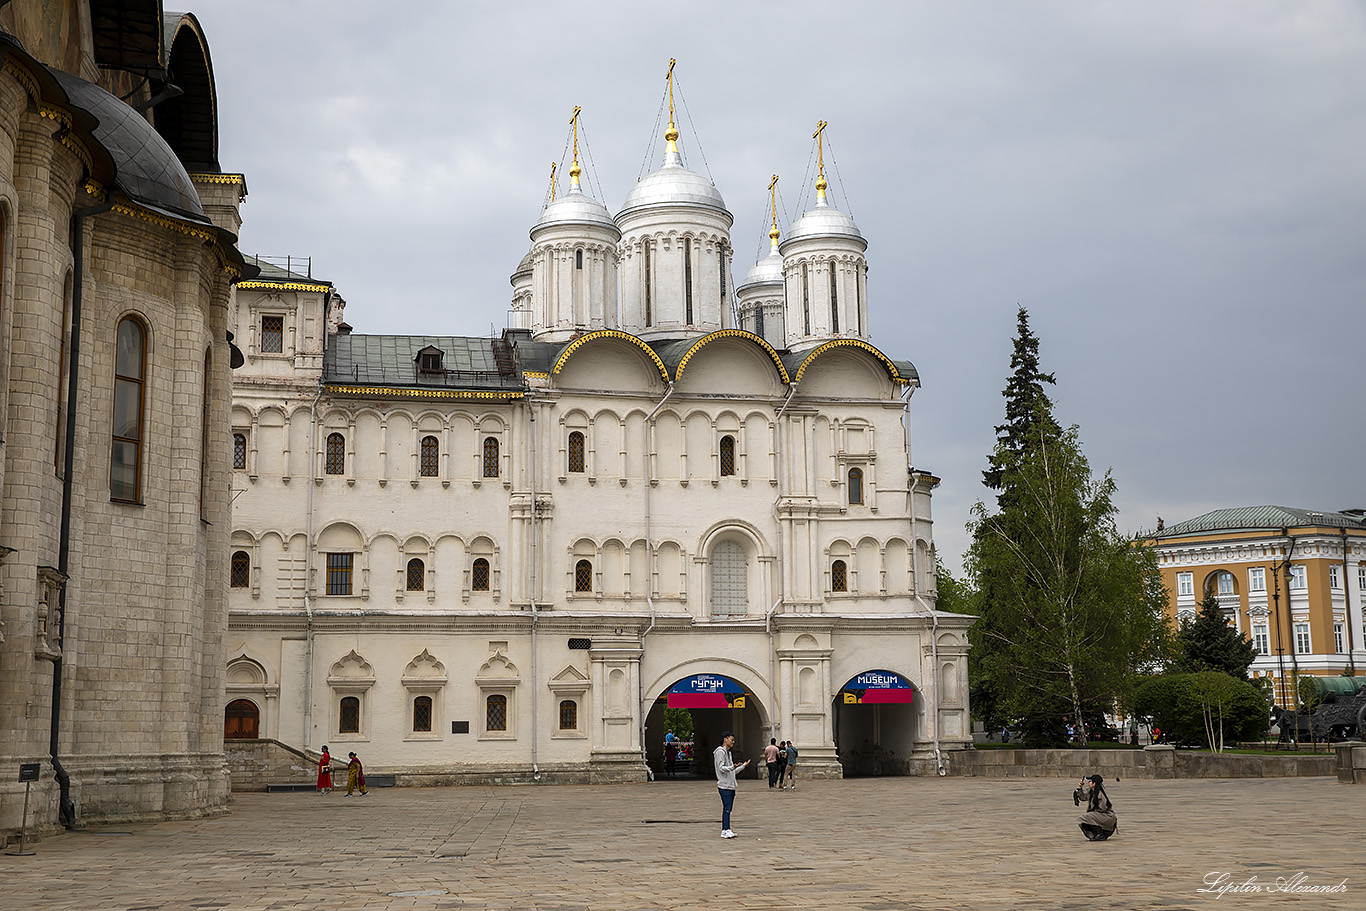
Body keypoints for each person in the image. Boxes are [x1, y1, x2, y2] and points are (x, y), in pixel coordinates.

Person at [714, 731, 749, 838]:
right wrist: (732, 767)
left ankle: (726, 829)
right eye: (731, 739)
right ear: (725, 739)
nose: (733, 742)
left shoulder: (728, 753)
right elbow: (721, 768)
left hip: (731, 785)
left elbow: (732, 772)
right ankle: (726, 829)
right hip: (724, 785)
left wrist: (742, 766)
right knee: (727, 808)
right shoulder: (720, 752)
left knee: (728, 808)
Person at [1073, 774, 1117, 841]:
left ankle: (1100, 833)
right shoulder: (1092, 793)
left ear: (1094, 784)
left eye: (1090, 781)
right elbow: (1083, 797)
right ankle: (1097, 834)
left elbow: (1103, 808)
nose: (1088, 783)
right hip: (1100, 816)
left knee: (1086, 817)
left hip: (1107, 817)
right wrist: (1080, 788)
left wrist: (1093, 813)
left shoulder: (1099, 794)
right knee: (1084, 820)